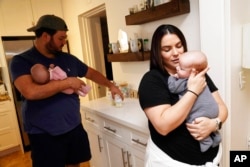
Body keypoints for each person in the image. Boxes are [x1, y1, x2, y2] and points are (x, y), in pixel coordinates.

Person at [9, 14, 123, 167]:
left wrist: (111, 85)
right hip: (44, 134)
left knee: (75, 164)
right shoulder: (22, 61)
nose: (64, 42)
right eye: (61, 38)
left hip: (73, 127)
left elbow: (91, 73)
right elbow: (31, 92)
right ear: (45, 36)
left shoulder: (68, 59)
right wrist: (68, 82)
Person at [138, 24, 228, 167]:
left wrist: (214, 123)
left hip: (213, 159)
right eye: (167, 49)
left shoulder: (196, 72)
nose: (175, 53)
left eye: (179, 46)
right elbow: (163, 125)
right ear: (158, 52)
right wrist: (193, 91)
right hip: (169, 162)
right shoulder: (152, 80)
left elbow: (222, 107)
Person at [168, 50, 221, 152]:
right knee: (206, 125)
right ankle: (216, 136)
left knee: (195, 125)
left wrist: (172, 78)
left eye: (181, 68)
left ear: (194, 72)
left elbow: (173, 88)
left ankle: (206, 142)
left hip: (200, 112)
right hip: (213, 109)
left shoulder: (186, 81)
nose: (177, 68)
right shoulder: (202, 77)